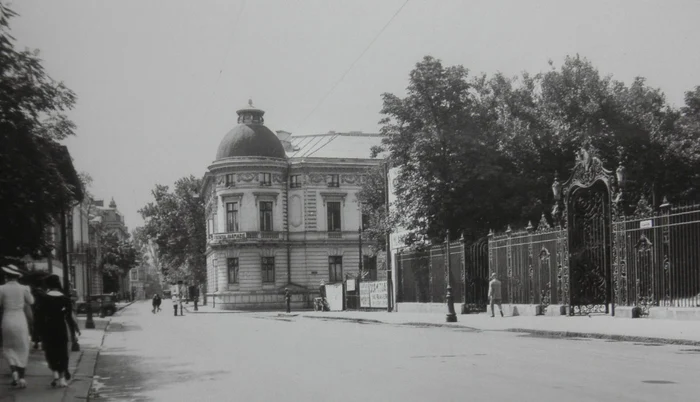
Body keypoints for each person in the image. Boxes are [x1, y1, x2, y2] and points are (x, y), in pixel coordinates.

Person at [35, 274, 80, 388]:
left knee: (51, 351)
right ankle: (61, 378)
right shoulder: (65, 299)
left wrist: (38, 334)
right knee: (62, 352)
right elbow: (69, 317)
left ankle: (54, 371)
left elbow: (39, 317)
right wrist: (74, 332)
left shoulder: (44, 298)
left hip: (48, 328)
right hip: (61, 327)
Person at [0, 264, 35, 388]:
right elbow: (31, 302)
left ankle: (13, 370)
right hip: (20, 319)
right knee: (23, 347)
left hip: (7, 319)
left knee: (8, 347)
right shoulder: (24, 288)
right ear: (17, 276)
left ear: (6, 276)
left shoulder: (1, 288)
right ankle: (22, 378)